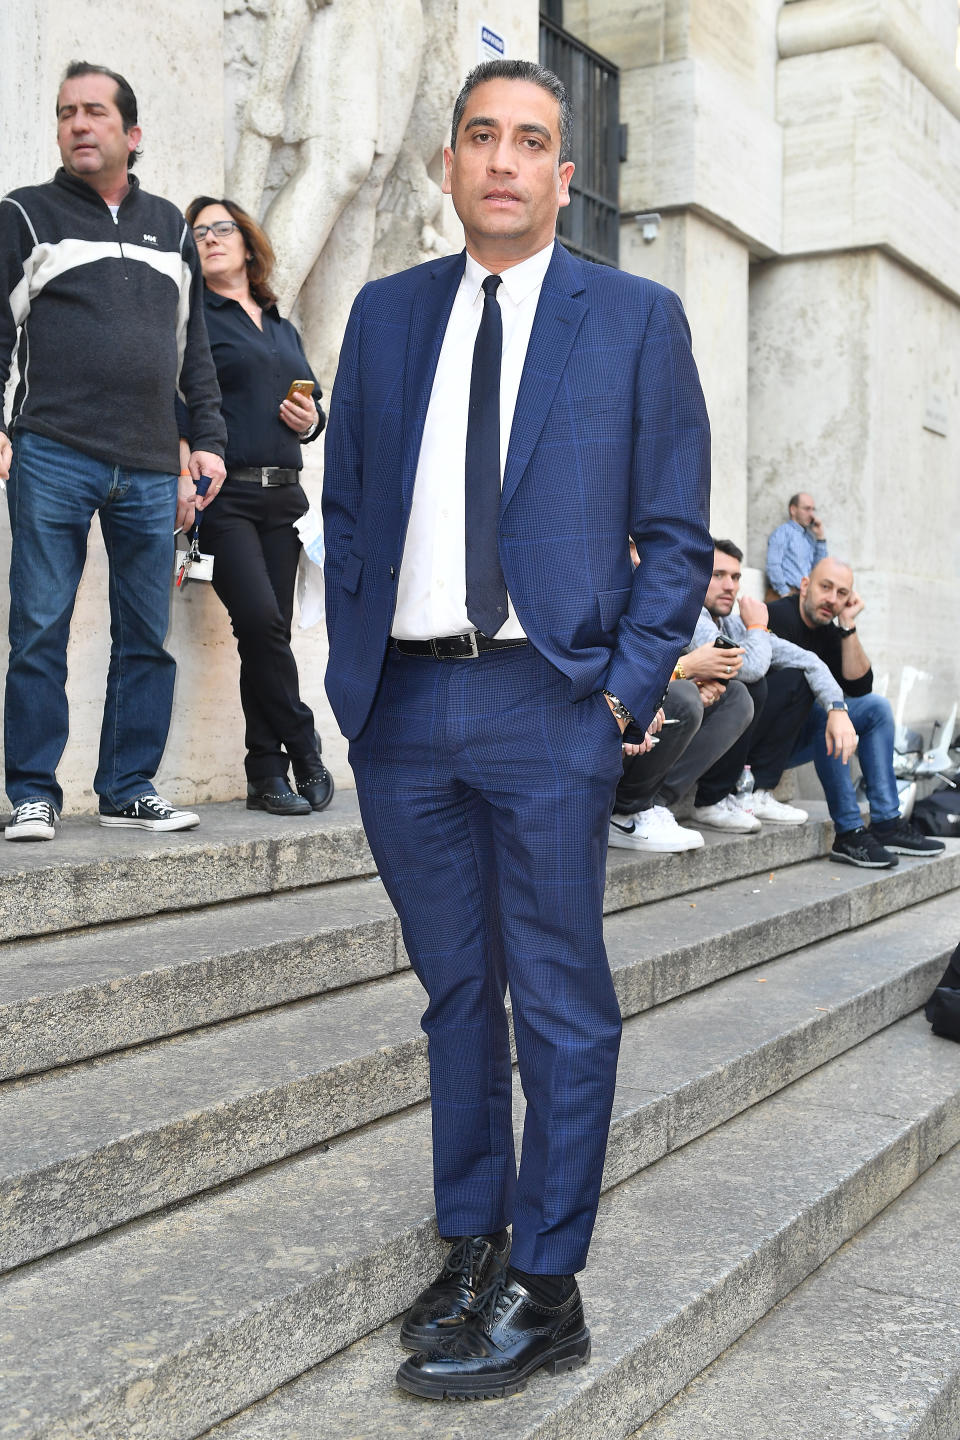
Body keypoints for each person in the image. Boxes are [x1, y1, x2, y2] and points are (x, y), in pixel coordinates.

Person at [322, 59, 712, 1401]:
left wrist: (621, 687)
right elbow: (352, 503)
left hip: (549, 700)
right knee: (451, 998)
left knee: (558, 1000)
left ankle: (549, 1290)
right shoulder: (383, 318)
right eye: (480, 136)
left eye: (530, 141)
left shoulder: (636, 318)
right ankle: (475, 1247)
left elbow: (675, 539)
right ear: (450, 165)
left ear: (561, 173)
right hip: (405, 707)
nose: (502, 160)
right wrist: (347, 674)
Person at [0, 62, 226, 840]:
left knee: (144, 633)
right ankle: (32, 791)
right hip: (52, 451)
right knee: (38, 625)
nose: (78, 125)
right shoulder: (23, 215)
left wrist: (209, 443)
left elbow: (192, 349)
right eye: (66, 113)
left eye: (94, 112)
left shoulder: (170, 226)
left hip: (153, 461)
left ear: (132, 134)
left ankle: (129, 786)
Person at [177, 196, 333, 815]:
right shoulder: (194, 318)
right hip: (227, 494)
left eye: (222, 228)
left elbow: (311, 406)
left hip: (285, 497)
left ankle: (265, 776)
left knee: (265, 638)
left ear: (246, 242)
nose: (211, 238)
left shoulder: (280, 322)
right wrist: (182, 471)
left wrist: (311, 419)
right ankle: (304, 742)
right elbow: (179, 399)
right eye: (199, 233)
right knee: (263, 625)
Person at [767, 557, 944, 867]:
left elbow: (861, 687)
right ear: (805, 585)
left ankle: (887, 822)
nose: (832, 599)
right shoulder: (776, 617)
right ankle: (848, 832)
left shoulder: (829, 629)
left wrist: (847, 625)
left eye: (841, 593)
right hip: (766, 742)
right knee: (827, 714)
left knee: (876, 707)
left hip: (803, 735)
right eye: (825, 587)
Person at [678, 539, 857, 833]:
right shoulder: (689, 615)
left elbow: (809, 660)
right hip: (672, 730)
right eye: (718, 575)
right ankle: (711, 800)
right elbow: (749, 669)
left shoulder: (732, 625)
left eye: (735, 577)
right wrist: (758, 627)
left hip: (708, 724)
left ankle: (758, 791)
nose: (730, 586)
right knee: (749, 687)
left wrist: (837, 709)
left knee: (797, 678)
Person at [766, 491, 827, 598]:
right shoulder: (782, 532)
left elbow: (819, 568)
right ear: (793, 510)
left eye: (813, 509)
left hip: (803, 596)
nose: (812, 514)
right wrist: (785, 592)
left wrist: (820, 537)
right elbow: (773, 564)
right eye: (807, 509)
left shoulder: (809, 537)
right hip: (784, 595)